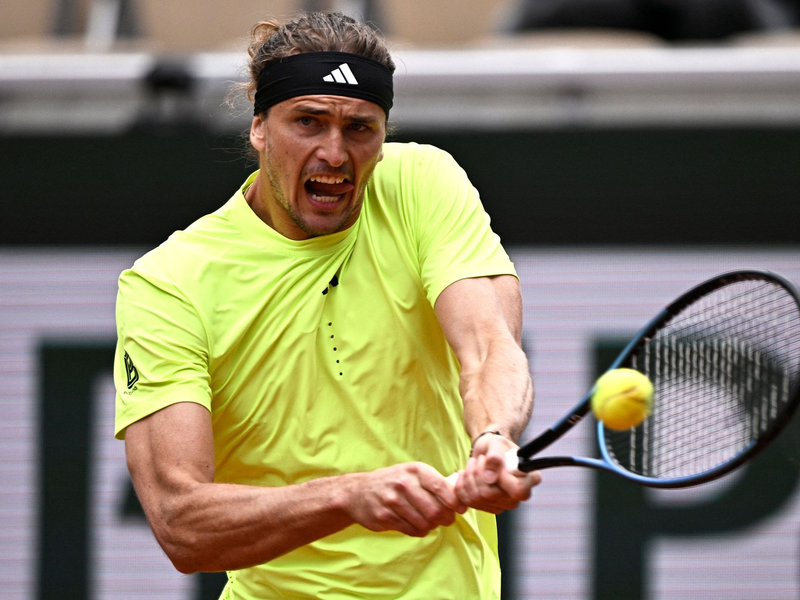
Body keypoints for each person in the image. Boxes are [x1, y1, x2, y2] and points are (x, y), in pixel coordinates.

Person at [113, 11, 541, 600]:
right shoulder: (169, 283)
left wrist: (494, 436)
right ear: (260, 126)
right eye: (308, 123)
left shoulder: (424, 183)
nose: (335, 153)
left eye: (360, 128)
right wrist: (348, 496)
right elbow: (181, 522)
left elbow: (489, 344)